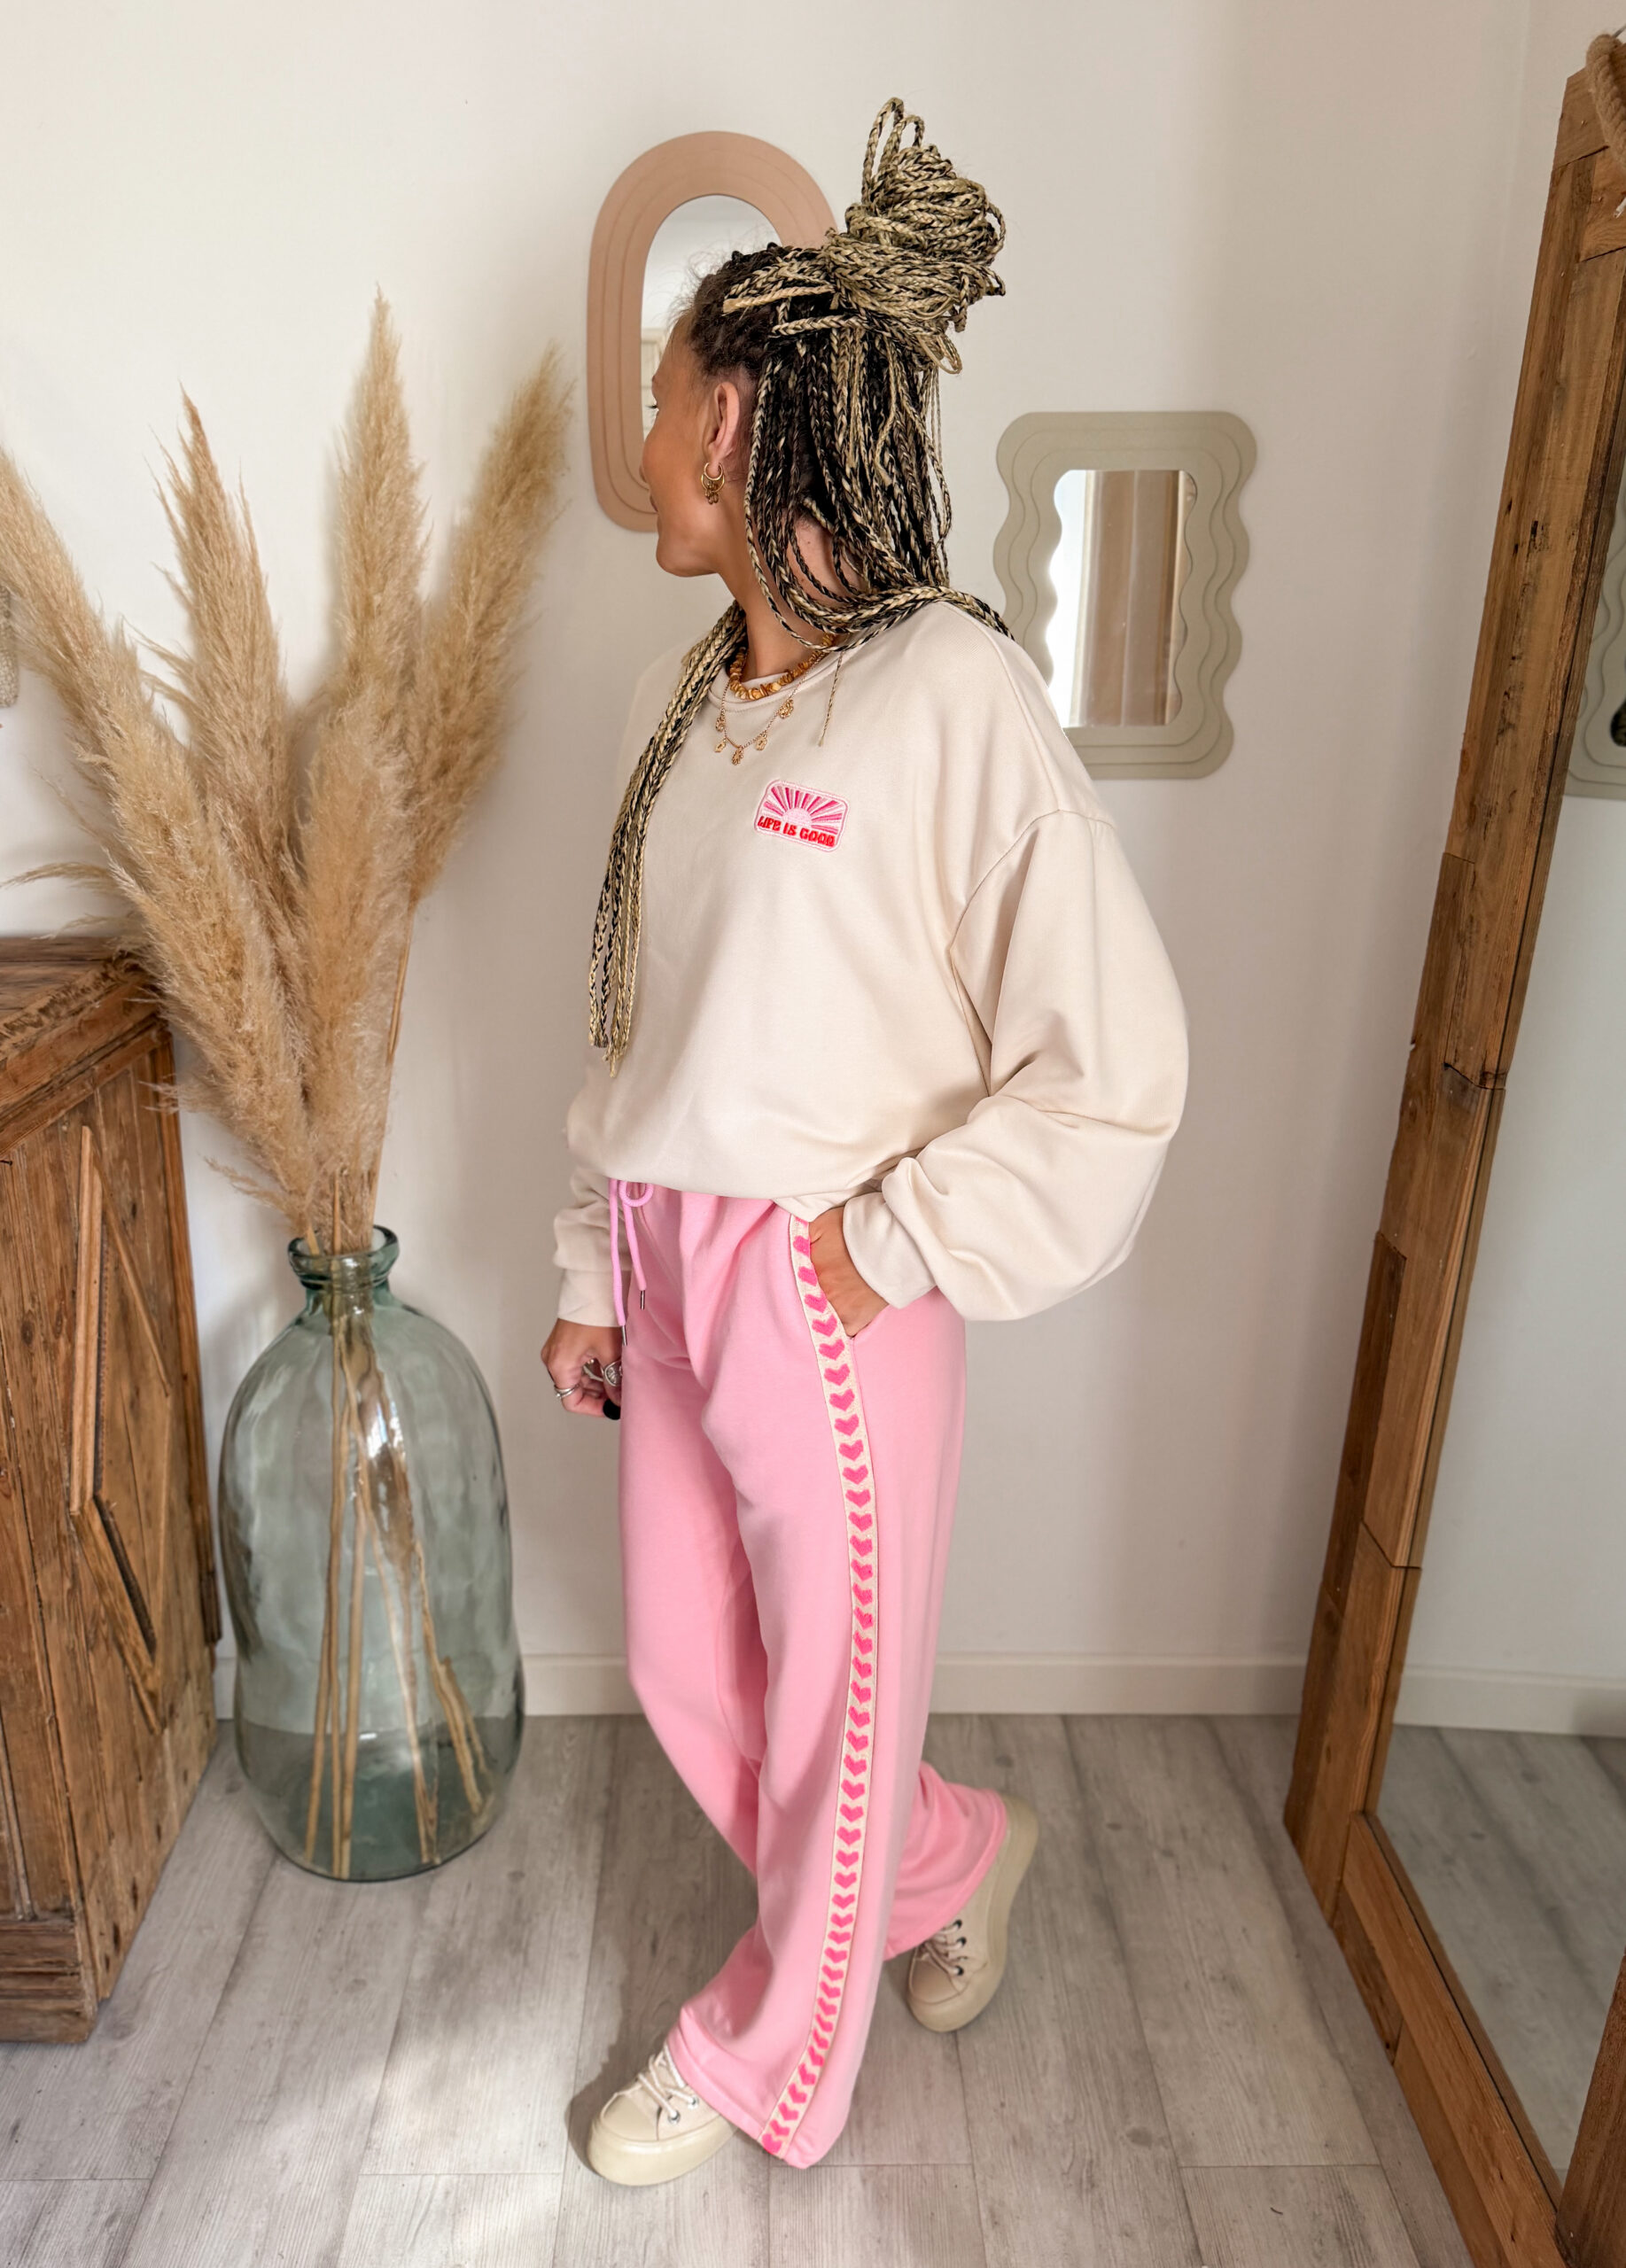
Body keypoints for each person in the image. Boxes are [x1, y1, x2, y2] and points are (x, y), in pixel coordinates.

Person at [542, 97, 1189, 2182]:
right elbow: (634, 1009)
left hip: (832, 1276)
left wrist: (884, 1249)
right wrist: (593, 1261)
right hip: (670, 1257)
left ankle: (765, 2063)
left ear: (735, 422)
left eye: (664, 400)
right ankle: (952, 1848)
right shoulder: (681, 706)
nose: (646, 438)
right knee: (686, 1668)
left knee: (829, 1708)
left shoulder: (950, 694)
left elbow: (1114, 1056)